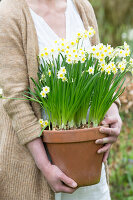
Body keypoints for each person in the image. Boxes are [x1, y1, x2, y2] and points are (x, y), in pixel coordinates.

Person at [0, 0, 122, 199]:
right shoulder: (9, 11)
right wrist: (46, 167)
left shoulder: (81, 7)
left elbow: (100, 70)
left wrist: (112, 111)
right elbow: (15, 99)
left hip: (89, 161)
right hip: (38, 168)